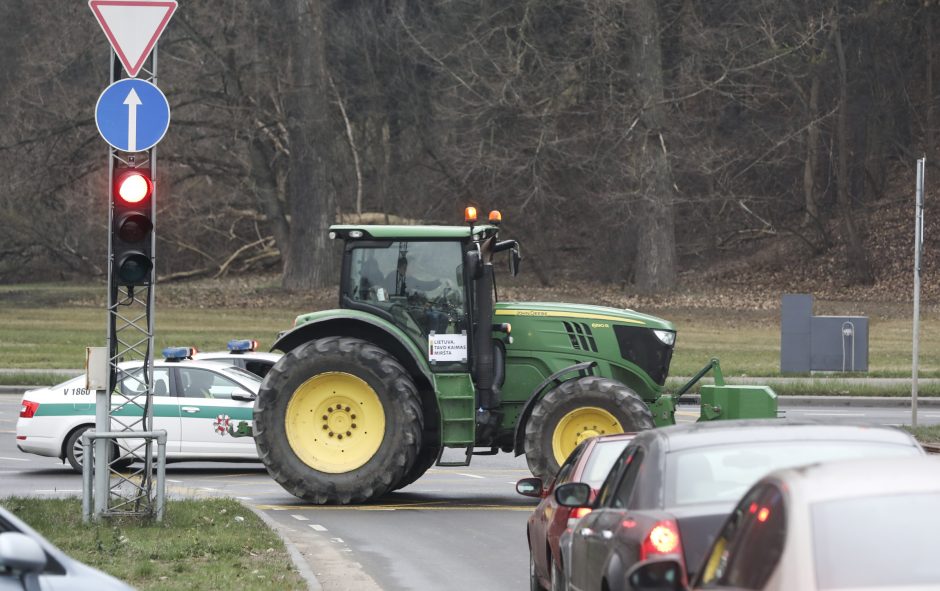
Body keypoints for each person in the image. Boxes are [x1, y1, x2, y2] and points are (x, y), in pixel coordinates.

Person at [385, 256, 452, 334]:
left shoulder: (410, 279)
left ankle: (439, 343)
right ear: (404, 266)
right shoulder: (393, 277)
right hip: (399, 309)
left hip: (412, 308)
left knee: (444, 317)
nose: (415, 268)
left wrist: (440, 281)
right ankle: (428, 342)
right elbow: (392, 295)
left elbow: (425, 285)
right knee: (434, 317)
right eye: (413, 266)